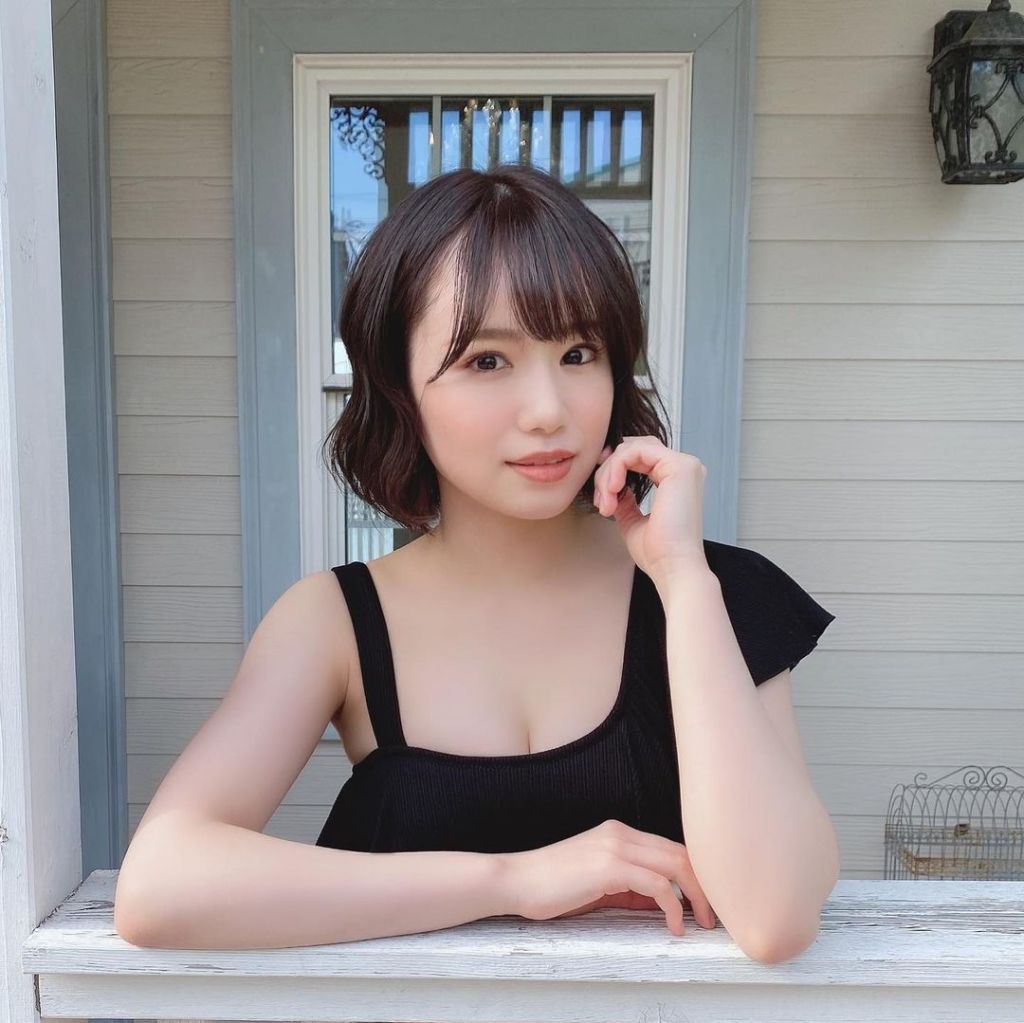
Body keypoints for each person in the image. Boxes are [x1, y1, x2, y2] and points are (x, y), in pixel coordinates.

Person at [113, 164, 835, 959]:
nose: (548, 412)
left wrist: (685, 580)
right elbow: (160, 884)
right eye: (487, 360)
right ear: (397, 385)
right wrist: (514, 880)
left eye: (578, 352)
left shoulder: (715, 593)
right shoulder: (335, 622)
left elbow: (776, 916)